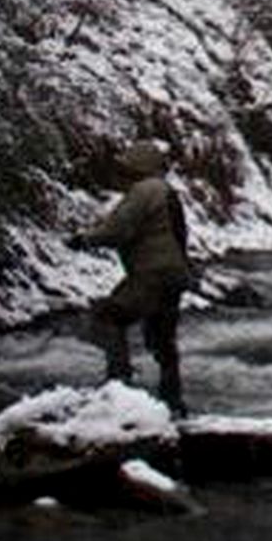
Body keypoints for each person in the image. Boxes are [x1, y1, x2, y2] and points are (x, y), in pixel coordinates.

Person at [71, 140, 192, 417]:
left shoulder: (144, 190)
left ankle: (119, 385)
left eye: (125, 168)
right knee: (163, 342)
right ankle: (173, 402)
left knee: (107, 316)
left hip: (151, 274)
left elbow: (117, 230)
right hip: (174, 275)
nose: (121, 174)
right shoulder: (166, 191)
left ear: (138, 167)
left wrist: (84, 239)